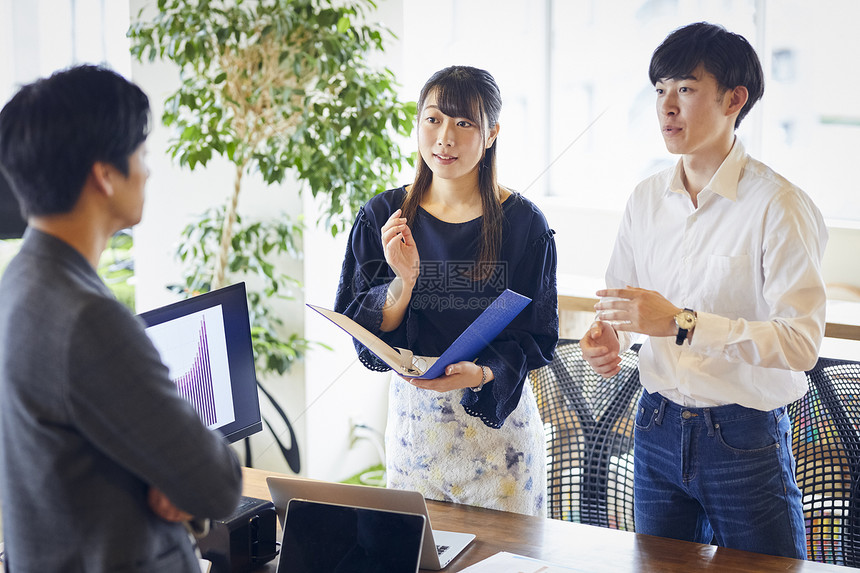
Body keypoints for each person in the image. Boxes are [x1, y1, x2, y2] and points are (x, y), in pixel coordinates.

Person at [580, 22, 827, 559]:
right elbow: (618, 305)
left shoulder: (778, 205)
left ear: (734, 99)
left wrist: (682, 323)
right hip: (657, 424)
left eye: (686, 90)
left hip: (743, 438)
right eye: (660, 91)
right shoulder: (645, 198)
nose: (667, 107)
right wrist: (604, 339)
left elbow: (801, 344)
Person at [0, 65, 242, 572]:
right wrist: (178, 478)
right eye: (140, 153)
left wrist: (174, 479)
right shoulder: (87, 319)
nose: (148, 171)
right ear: (104, 174)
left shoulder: (20, 285)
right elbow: (217, 483)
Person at [335, 66, 558, 516]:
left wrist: (479, 374)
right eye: (433, 119)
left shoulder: (525, 225)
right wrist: (404, 281)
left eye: (464, 123)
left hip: (501, 444)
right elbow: (362, 329)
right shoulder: (385, 215)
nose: (445, 138)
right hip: (415, 436)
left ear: (492, 133)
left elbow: (538, 337)